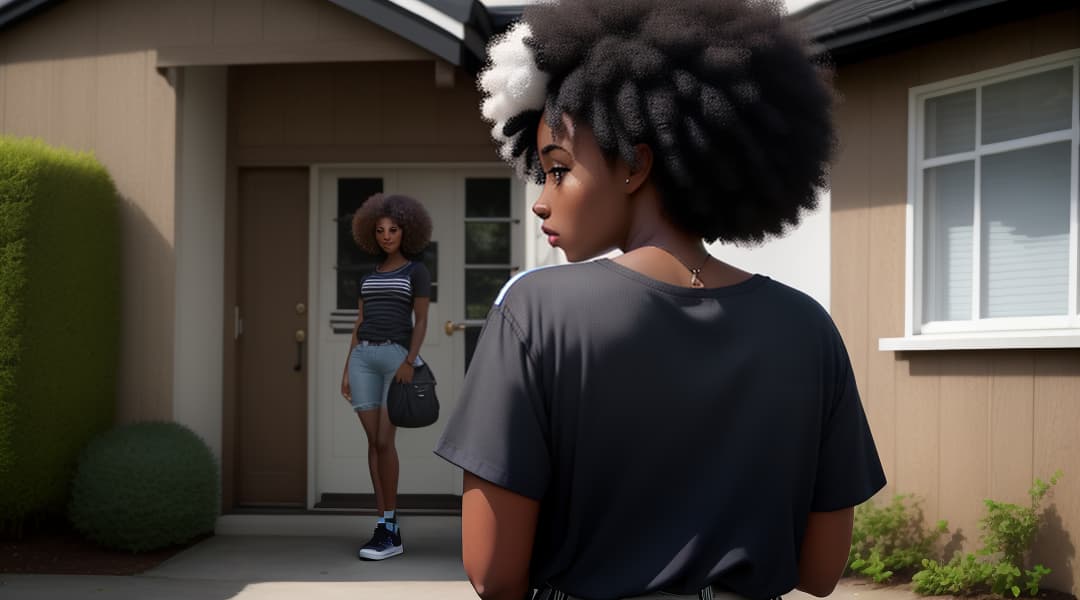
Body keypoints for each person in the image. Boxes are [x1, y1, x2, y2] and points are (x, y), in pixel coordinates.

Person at [434, 1, 887, 599]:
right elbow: (822, 572)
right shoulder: (808, 327)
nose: (542, 200)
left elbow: (492, 572)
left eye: (558, 169)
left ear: (635, 166)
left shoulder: (534, 313)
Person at [341, 193, 432, 561]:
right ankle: (383, 522)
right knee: (373, 443)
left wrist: (410, 360)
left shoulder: (416, 272)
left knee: (384, 440)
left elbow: (422, 320)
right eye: (379, 231)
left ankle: (390, 527)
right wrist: (347, 367)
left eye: (392, 230)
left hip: (396, 357)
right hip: (364, 357)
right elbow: (359, 323)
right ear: (372, 234)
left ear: (405, 231)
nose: (386, 236)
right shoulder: (367, 277)